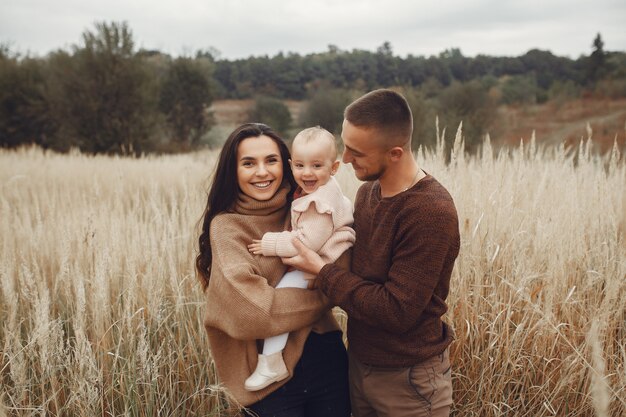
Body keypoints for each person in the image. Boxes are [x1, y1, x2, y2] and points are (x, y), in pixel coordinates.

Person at [282, 90, 460, 417]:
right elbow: (355, 275)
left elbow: (396, 310)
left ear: (394, 153)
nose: (345, 160)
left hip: (409, 380)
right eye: (345, 145)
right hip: (359, 365)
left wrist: (322, 271)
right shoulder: (367, 193)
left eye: (356, 152)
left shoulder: (430, 212)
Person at [196, 123, 351, 417]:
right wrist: (328, 294)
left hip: (326, 358)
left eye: (271, 160)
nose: (262, 172)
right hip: (266, 379)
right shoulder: (228, 227)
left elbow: (345, 262)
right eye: (248, 163)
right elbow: (255, 312)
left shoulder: (307, 205)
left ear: (285, 164)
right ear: (234, 171)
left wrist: (332, 279)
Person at [245, 126, 356, 391]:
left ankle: (271, 361)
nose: (307, 173)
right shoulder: (318, 190)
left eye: (317, 165)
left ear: (334, 167)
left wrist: (270, 243)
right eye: (300, 165)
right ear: (290, 165)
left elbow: (307, 242)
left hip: (324, 260)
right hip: (321, 258)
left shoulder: (320, 203)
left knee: (281, 298)